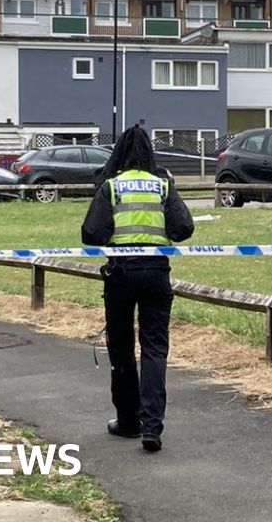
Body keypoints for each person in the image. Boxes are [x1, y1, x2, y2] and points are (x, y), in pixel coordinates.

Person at [81, 125, 194, 452]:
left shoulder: (112, 187)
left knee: (121, 348)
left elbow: (91, 234)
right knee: (155, 350)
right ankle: (152, 428)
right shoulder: (162, 186)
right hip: (156, 273)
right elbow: (183, 228)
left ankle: (128, 420)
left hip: (120, 274)